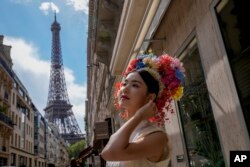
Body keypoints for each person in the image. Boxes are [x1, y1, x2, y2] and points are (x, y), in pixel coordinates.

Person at [100, 51, 185, 167]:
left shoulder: (158, 137)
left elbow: (108, 153)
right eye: (125, 84)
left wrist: (139, 116)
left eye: (135, 85)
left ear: (150, 97)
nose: (125, 89)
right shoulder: (126, 132)